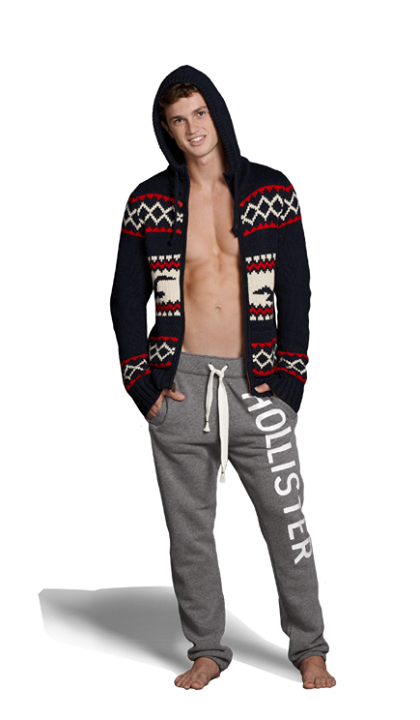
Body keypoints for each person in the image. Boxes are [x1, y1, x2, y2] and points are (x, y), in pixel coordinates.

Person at [110, 65, 336, 691]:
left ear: (217, 113)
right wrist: (143, 388)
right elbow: (125, 298)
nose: (192, 128)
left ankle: (309, 647)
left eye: (200, 113)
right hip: (179, 383)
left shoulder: (271, 190)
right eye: (178, 120)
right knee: (190, 533)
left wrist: (289, 383)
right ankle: (207, 649)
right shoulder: (148, 201)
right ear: (166, 129)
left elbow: (297, 289)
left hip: (258, 384)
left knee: (287, 526)